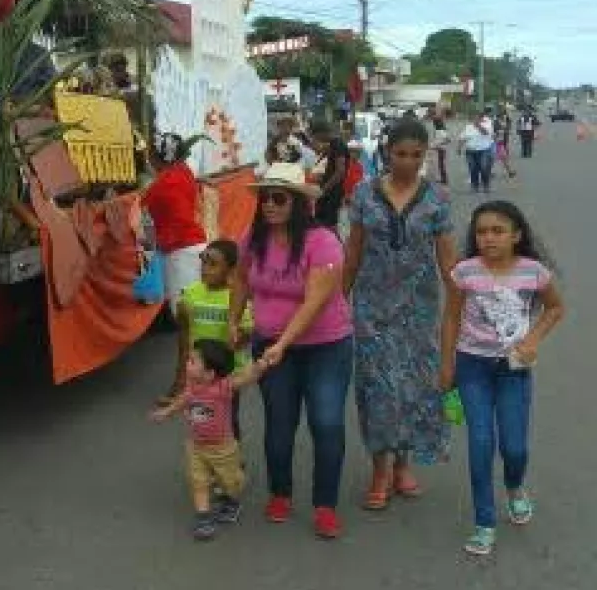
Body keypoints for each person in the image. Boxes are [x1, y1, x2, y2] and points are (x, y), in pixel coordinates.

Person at [230, 161, 353, 539]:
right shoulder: (253, 237)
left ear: (299, 203)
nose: (270, 205)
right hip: (270, 343)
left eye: (279, 198)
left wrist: (283, 343)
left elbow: (315, 300)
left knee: (326, 422)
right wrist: (233, 321)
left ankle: (325, 504)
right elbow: (240, 278)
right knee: (279, 422)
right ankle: (280, 492)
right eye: (266, 198)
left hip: (325, 346)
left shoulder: (323, 241)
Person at [438, 200, 565, 556]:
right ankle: (484, 522)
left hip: (514, 370)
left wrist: (532, 339)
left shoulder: (533, 272)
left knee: (515, 447)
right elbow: (451, 318)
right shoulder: (464, 273)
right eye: (481, 232)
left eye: (498, 231)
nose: (489, 238)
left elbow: (555, 307)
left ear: (516, 235)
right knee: (480, 443)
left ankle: (514, 486)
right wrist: (446, 364)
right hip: (472, 367)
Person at [343, 118, 457, 511]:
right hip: (371, 309)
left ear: (425, 156)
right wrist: (339, 302)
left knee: (412, 388)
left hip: (419, 310)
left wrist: (461, 306)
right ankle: (379, 470)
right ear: (387, 152)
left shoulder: (437, 198)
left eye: (416, 155)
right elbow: (353, 252)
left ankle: (403, 464)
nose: (407, 162)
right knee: (376, 389)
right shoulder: (364, 193)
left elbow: (448, 261)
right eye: (400, 154)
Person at [149, 339, 267, 540]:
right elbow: (183, 401)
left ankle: (232, 499)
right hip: (196, 446)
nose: (187, 363)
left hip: (223, 448)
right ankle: (203, 518)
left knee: (230, 482)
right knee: (198, 481)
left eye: (192, 361)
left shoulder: (222, 388)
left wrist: (258, 367)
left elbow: (244, 379)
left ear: (210, 373)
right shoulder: (192, 387)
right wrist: (166, 412)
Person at [143, 132, 209, 401]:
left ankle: (183, 383)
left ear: (158, 157)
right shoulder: (184, 173)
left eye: (150, 154)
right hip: (197, 248)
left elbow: (143, 213)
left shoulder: (161, 185)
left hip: (180, 255)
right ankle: (201, 376)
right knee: (197, 320)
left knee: (186, 322)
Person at [172, 239, 252, 439]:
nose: (205, 268)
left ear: (231, 271)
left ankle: (230, 453)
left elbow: (247, 333)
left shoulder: (236, 298)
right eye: (203, 261)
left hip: (228, 373)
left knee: (227, 419)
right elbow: (184, 332)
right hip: (198, 372)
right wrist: (182, 372)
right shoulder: (191, 293)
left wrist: (237, 337)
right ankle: (206, 452)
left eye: (213, 264)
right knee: (200, 417)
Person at [308, 120, 351, 230]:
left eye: (315, 136)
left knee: (328, 225)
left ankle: (332, 241)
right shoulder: (332, 145)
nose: (316, 139)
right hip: (329, 191)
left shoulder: (338, 144)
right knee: (322, 223)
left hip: (333, 192)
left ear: (321, 133)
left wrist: (323, 190)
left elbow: (340, 171)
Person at [458, 109, 496, 193]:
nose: (475, 119)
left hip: (483, 150)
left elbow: (486, 132)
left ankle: (486, 185)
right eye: (473, 117)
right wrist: (459, 147)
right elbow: (462, 137)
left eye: (477, 117)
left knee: (484, 168)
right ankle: (475, 186)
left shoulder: (487, 124)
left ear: (481, 118)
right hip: (470, 151)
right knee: (472, 169)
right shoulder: (468, 127)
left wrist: (478, 126)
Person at [430, 112, 450, 184]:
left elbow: (447, 140)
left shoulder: (441, 131)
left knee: (441, 165)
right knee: (440, 165)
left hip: (441, 149)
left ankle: (444, 179)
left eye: (434, 123)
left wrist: (437, 144)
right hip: (440, 148)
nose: (433, 124)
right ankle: (443, 178)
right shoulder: (439, 130)